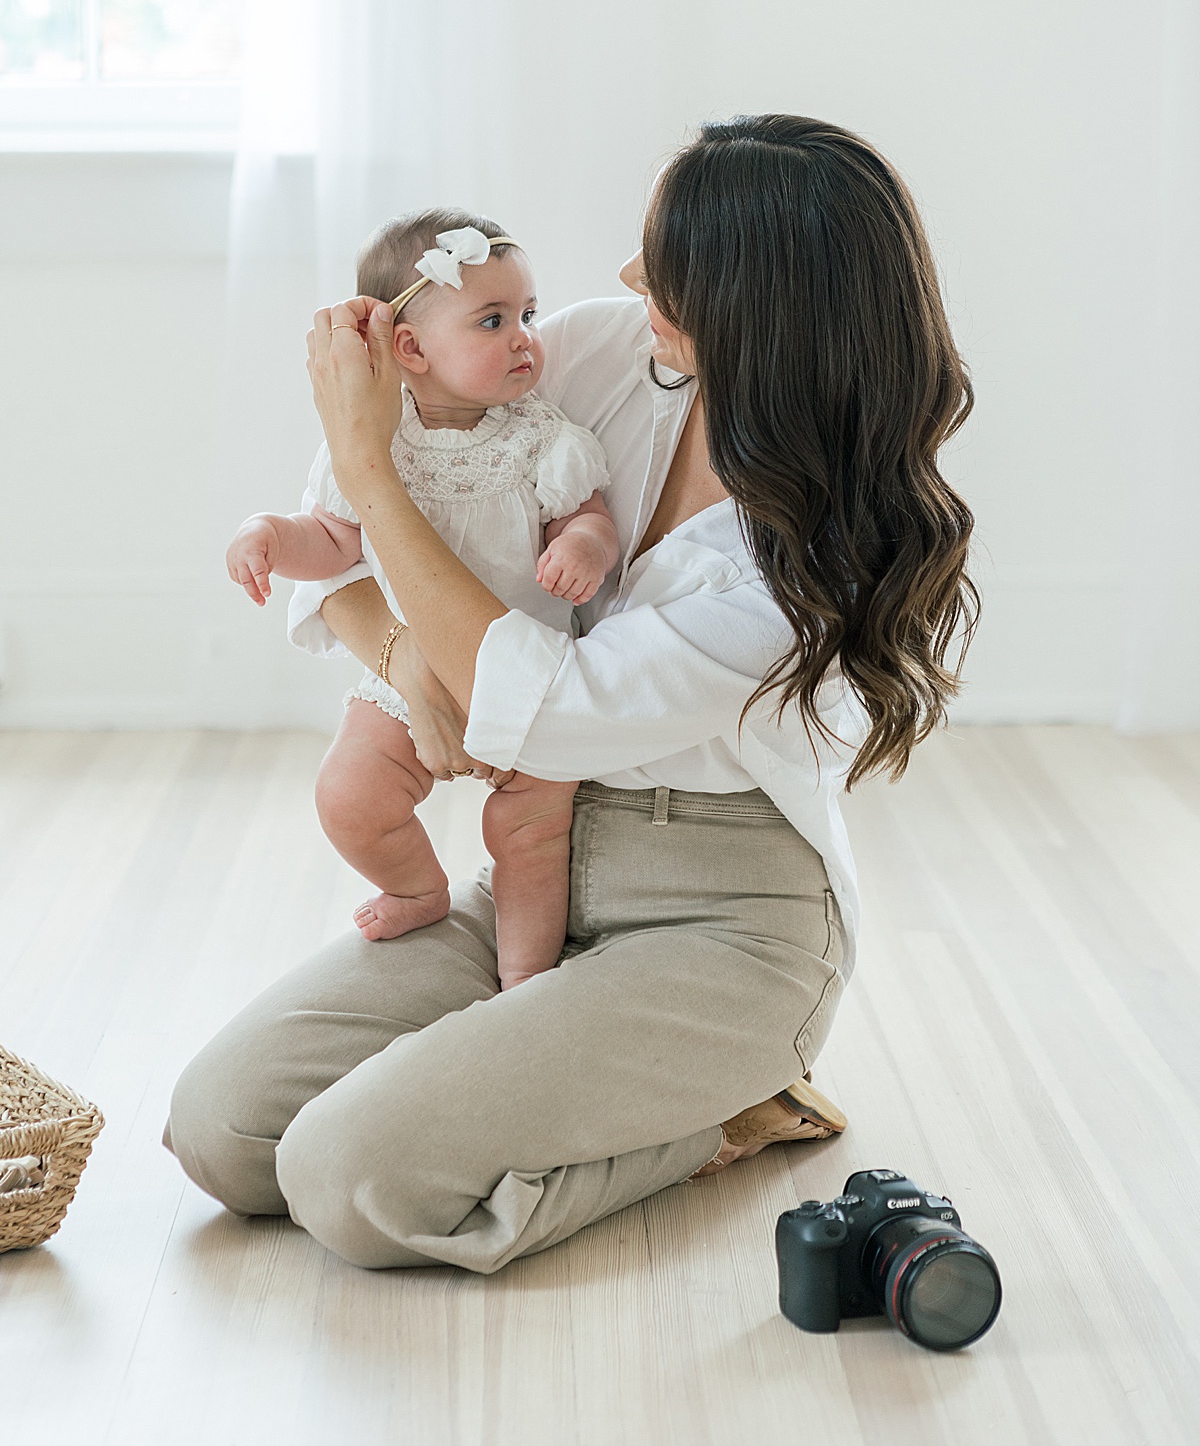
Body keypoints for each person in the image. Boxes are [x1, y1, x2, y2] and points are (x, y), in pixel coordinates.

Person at [166, 115, 977, 1274]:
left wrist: (362, 467)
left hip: (729, 923)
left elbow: (544, 705)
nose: (629, 275)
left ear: (754, 306)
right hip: (549, 865)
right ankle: (556, 1064)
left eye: (667, 261)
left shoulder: (812, 558)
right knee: (225, 1130)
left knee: (348, 1177)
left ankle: (732, 1106)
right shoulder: (599, 357)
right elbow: (352, 559)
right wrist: (399, 656)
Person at [223, 210, 617, 987]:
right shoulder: (377, 439)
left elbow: (589, 513)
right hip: (404, 678)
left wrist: (582, 546)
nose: (525, 338)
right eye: (493, 321)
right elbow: (335, 544)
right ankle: (417, 886)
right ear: (410, 349)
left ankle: (525, 977)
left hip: (527, 674)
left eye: (528, 316)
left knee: (531, 833)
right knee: (349, 797)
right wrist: (269, 531)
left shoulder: (541, 436)